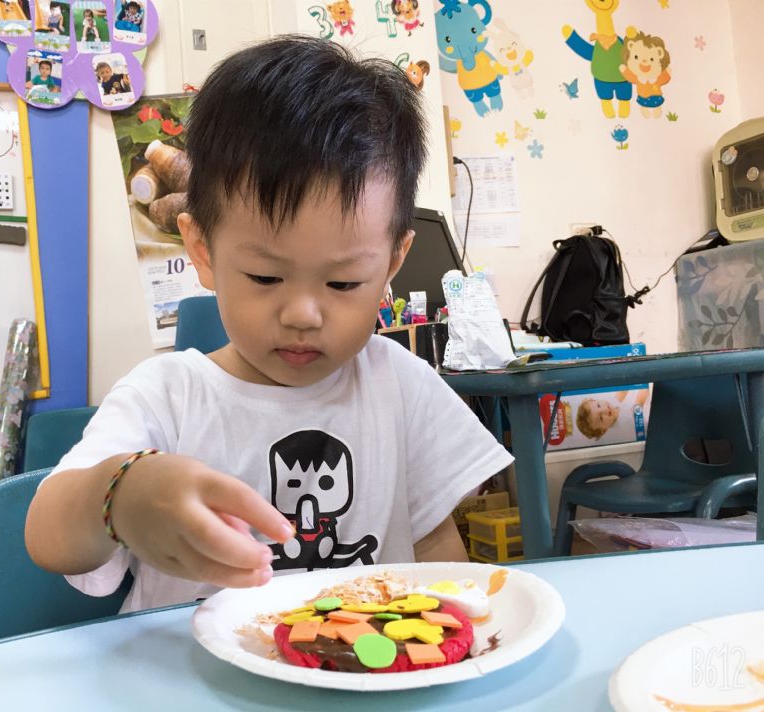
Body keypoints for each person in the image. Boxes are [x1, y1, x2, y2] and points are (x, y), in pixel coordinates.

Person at [25, 36, 513, 613]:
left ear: (392, 262)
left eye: (342, 283)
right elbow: (47, 536)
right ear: (202, 251)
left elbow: (434, 547)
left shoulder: (401, 387)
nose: (303, 314)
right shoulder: (168, 397)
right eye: (264, 276)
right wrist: (121, 494)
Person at [575, 390, 649, 440]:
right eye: (601, 418)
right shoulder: (626, 425)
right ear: (603, 431)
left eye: (598, 405)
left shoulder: (615, 399)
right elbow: (642, 398)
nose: (605, 410)